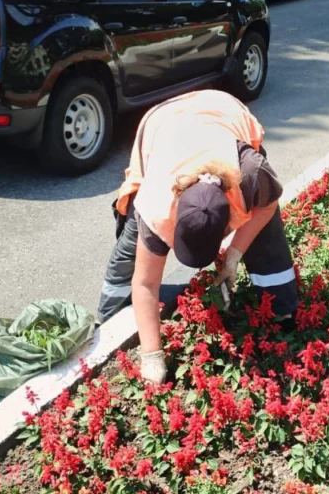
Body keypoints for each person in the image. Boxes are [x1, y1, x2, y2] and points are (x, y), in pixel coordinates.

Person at [98, 90, 298, 384]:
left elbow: (266, 208)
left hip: (220, 109)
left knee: (266, 237)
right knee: (131, 245)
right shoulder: (155, 205)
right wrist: (152, 355)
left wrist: (234, 254)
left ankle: (283, 311)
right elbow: (145, 283)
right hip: (162, 122)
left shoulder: (251, 175)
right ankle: (109, 311)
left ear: (229, 216)